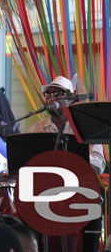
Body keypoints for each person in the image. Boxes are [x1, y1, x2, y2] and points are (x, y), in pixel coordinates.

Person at [27, 75, 105, 252]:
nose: (52, 97)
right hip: (47, 195)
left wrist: (71, 164)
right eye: (49, 94)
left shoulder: (86, 127)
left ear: (71, 98)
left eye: (58, 93)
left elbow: (98, 162)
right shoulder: (36, 129)